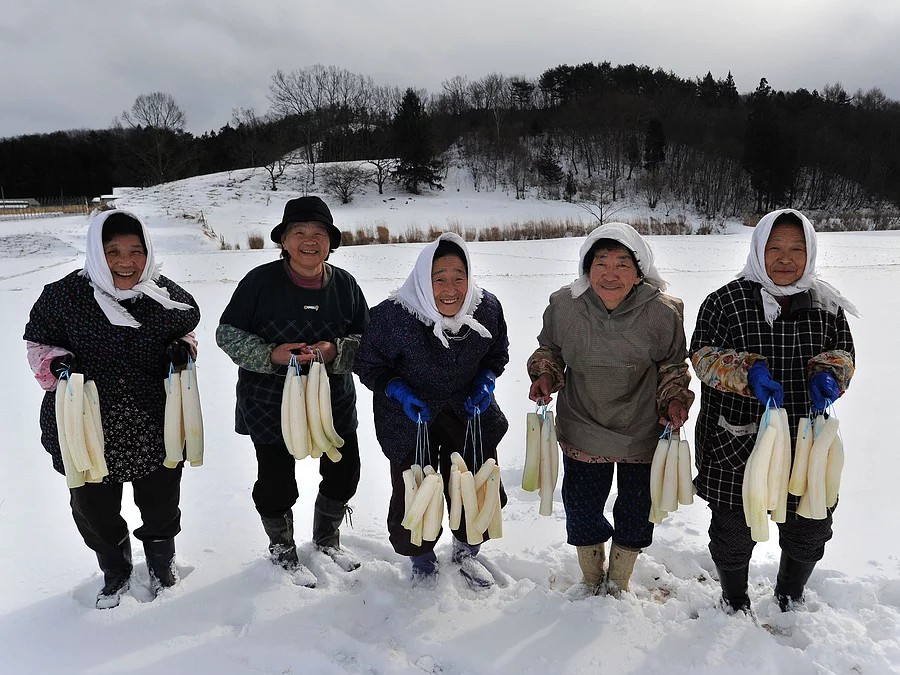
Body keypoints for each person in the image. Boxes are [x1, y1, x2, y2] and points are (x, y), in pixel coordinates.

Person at [23, 209, 200, 609]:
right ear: (96, 252)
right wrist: (57, 363)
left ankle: (161, 564)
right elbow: (38, 346)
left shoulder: (165, 295)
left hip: (154, 420)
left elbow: (187, 330)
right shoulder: (63, 296)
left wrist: (184, 349)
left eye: (136, 251)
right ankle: (115, 571)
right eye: (113, 251)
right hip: (85, 423)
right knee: (94, 507)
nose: (126, 261)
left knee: (160, 501)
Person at [690, 208, 857, 613]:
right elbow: (702, 356)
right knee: (732, 529)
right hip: (735, 438)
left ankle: (790, 593)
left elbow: (843, 354)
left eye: (797, 248)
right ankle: (734, 598)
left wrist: (830, 375)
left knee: (810, 524)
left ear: (810, 252)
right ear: (758, 249)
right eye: (775, 248)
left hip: (805, 437)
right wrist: (747, 370)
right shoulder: (725, 301)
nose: (786, 259)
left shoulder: (827, 305)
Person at [527, 222, 694, 596]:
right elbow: (549, 350)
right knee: (582, 508)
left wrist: (674, 398)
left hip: (642, 428)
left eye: (622, 264)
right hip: (583, 424)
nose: (610, 274)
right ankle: (591, 576)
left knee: (636, 511)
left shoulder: (663, 313)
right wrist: (544, 375)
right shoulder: (564, 306)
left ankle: (619, 581)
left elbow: (672, 366)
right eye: (600, 263)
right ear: (587, 269)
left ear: (639, 273)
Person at [217, 196, 369, 588]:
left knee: (344, 472)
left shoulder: (346, 286)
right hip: (270, 403)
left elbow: (368, 339)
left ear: (330, 241)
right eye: (298, 232)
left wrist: (336, 350)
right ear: (283, 240)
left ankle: (326, 538)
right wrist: (271, 354)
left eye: (319, 233)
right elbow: (227, 334)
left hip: (332, 402)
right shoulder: (259, 283)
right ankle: (282, 547)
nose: (309, 240)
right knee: (276, 483)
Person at [354, 233, 509, 588]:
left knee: (477, 483)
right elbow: (368, 365)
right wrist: (397, 389)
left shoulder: (486, 308)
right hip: (410, 415)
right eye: (439, 278)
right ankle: (421, 556)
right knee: (414, 489)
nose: (450, 288)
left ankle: (467, 551)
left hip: (468, 410)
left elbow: (496, 354)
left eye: (459, 276)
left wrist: (486, 380)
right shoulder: (391, 317)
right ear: (424, 279)